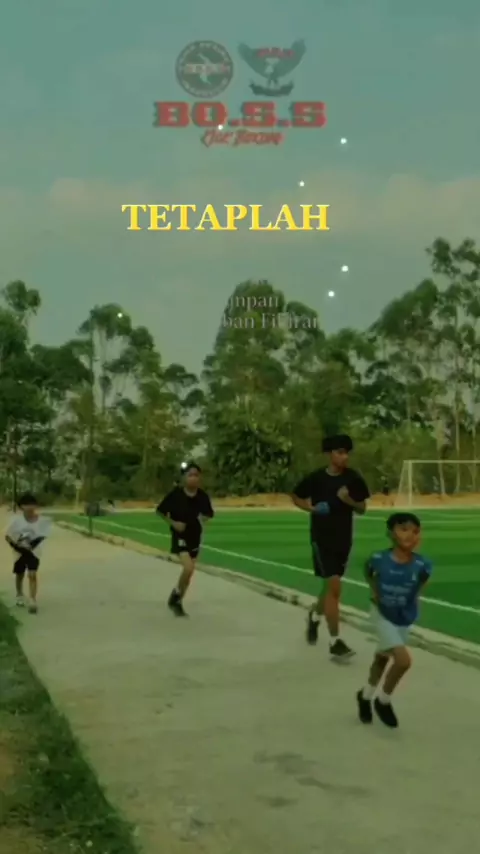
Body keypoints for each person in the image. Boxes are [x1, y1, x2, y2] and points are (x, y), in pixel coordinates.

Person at [292, 435, 370, 660]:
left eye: (347, 453)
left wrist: (348, 500)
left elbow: (362, 508)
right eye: (340, 452)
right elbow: (296, 496)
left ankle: (314, 617)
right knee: (334, 587)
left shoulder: (353, 478)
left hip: (343, 539)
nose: (344, 457)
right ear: (329, 454)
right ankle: (335, 642)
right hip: (321, 539)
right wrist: (311, 509)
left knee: (329, 588)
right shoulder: (316, 478)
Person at [356, 512, 432, 728]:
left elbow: (421, 584)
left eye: (415, 531)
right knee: (403, 661)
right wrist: (375, 592)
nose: (410, 535)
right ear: (390, 533)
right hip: (381, 614)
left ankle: (365, 696)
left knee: (382, 658)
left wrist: (413, 601)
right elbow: (368, 572)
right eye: (404, 529)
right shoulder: (378, 559)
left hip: (403, 617)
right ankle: (383, 701)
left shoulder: (423, 564)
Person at [156, 463, 214, 617]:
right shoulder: (176, 495)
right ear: (184, 477)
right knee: (188, 568)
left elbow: (208, 514)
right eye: (190, 475)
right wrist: (174, 523)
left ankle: (177, 600)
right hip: (180, 535)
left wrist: (203, 518)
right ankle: (176, 596)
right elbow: (160, 511)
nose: (193, 478)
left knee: (189, 573)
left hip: (195, 536)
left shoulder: (202, 496)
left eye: (196, 475)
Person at [5, 493, 51, 614]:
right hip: (19, 552)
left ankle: (32, 599)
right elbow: (8, 536)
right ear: (21, 507)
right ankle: (19, 594)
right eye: (26, 505)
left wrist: (31, 546)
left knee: (32, 574)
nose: (29, 507)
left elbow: (42, 536)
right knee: (20, 574)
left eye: (32, 504)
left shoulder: (42, 521)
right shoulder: (15, 521)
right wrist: (18, 547)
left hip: (34, 552)